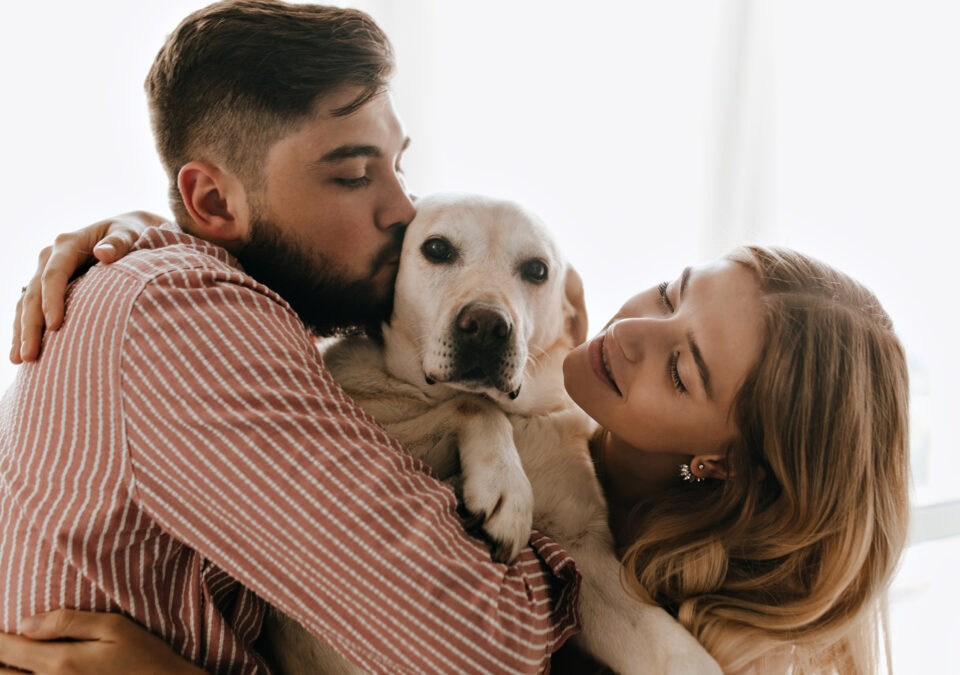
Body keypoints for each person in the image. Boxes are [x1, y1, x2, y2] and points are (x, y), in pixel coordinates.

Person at [9, 219, 911, 672]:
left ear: (726, 464)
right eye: (674, 289)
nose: (639, 331)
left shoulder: (664, 640)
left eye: (684, 369)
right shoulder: (540, 414)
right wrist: (147, 251)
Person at [0, 2, 582, 674]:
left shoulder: (167, 286)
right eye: (354, 175)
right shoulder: (189, 323)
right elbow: (486, 646)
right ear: (215, 203)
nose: (403, 210)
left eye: (398, 165)